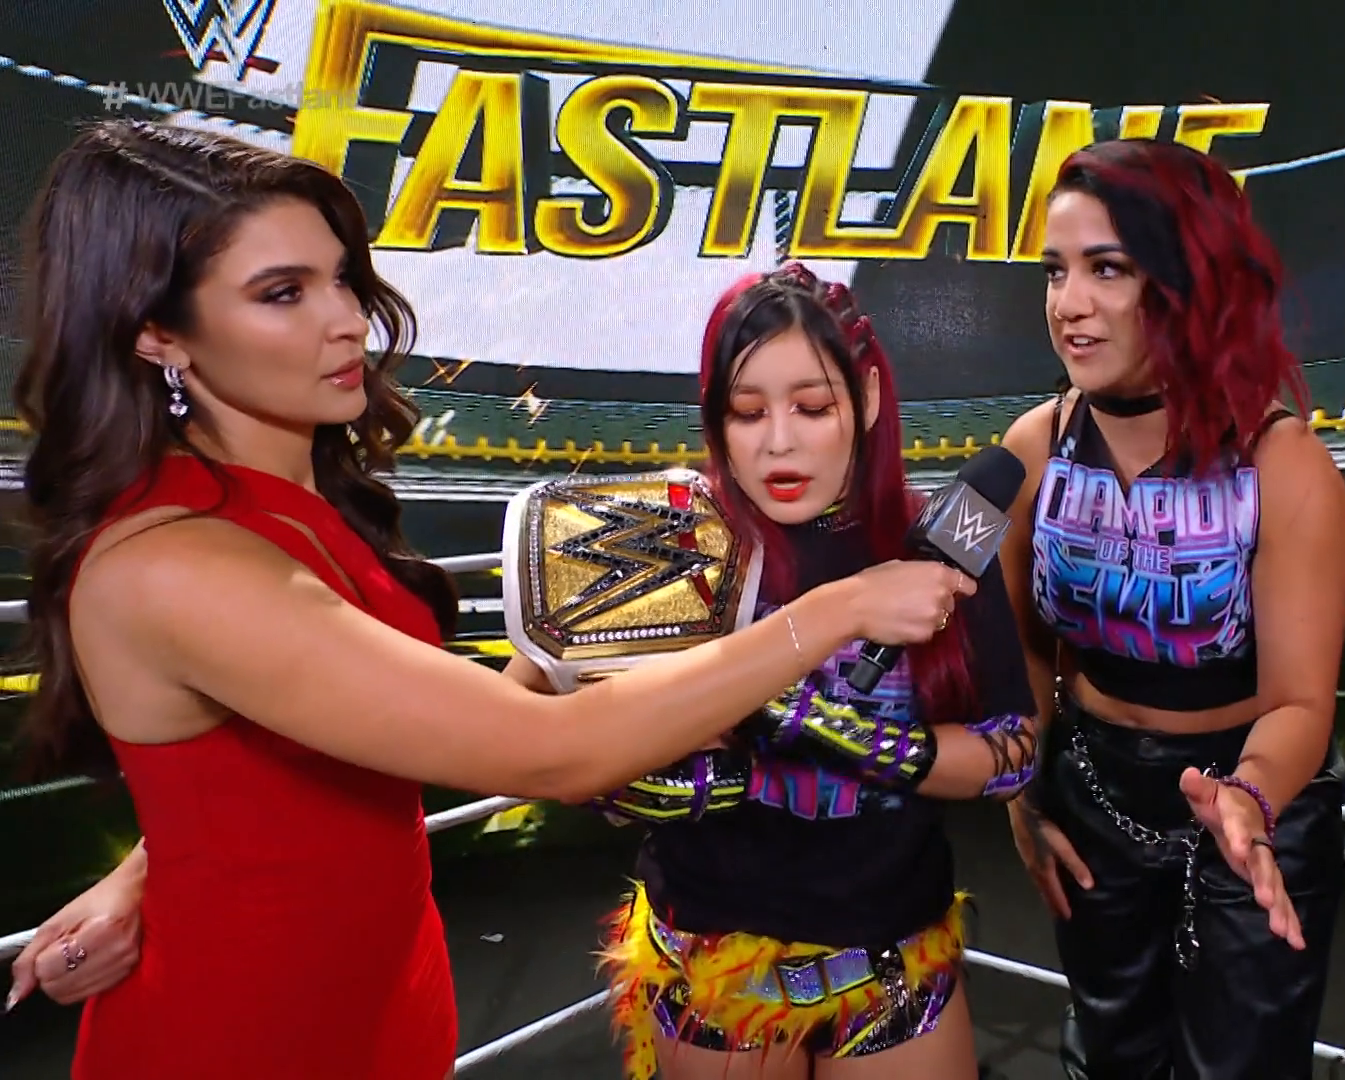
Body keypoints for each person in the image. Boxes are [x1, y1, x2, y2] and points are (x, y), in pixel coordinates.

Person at [2, 120, 972, 1080]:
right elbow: (551, 750)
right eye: (282, 293)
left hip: (379, 988)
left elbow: (286, 743)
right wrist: (837, 612)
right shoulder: (173, 561)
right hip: (250, 1027)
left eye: (340, 278)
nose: (346, 320)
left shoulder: (291, 503)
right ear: (157, 331)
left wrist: (156, 863)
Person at [503, 262, 1037, 1080]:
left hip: (894, 962)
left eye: (812, 407)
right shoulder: (656, 544)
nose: (779, 441)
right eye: (747, 412)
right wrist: (628, 770)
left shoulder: (939, 549)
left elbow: (1013, 755)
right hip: (709, 968)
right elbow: (519, 725)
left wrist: (820, 725)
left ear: (866, 397)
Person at [998, 138, 1345, 1079]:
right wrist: (1021, 792)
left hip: (1256, 804)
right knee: (1111, 1055)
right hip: (1092, 795)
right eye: (1055, 271)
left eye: (1107, 269)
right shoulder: (1031, 447)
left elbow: (1300, 701)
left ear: (1191, 279)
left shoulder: (1285, 465)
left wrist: (1249, 798)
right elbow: (1021, 648)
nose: (1068, 304)